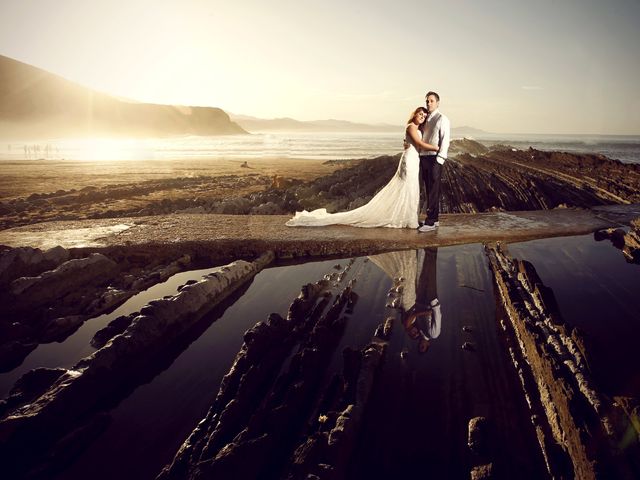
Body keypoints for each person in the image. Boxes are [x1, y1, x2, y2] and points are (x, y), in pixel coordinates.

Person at [286, 107, 439, 229]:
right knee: (405, 187)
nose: (422, 117)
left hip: (414, 160)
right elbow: (419, 144)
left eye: (424, 116)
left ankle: (409, 219)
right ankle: (407, 220)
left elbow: (417, 144)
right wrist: (437, 148)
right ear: (414, 115)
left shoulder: (418, 128)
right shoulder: (411, 126)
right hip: (409, 161)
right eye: (420, 114)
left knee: (411, 188)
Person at [417, 91, 450, 232]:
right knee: (428, 190)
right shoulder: (426, 119)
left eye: (431, 101)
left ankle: (430, 222)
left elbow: (445, 140)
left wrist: (439, 160)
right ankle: (435, 219)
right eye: (427, 101)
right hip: (423, 157)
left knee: (433, 190)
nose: (428, 103)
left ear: (437, 103)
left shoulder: (443, 119)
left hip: (434, 159)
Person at [404, 247, 441, 353]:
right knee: (431, 275)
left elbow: (411, 319)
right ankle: (433, 249)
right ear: (428, 345)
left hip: (420, 301)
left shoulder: (419, 331)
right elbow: (437, 316)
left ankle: (424, 249)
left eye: (419, 347)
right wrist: (433, 303)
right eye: (423, 347)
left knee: (422, 275)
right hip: (430, 301)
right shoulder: (433, 334)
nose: (421, 345)